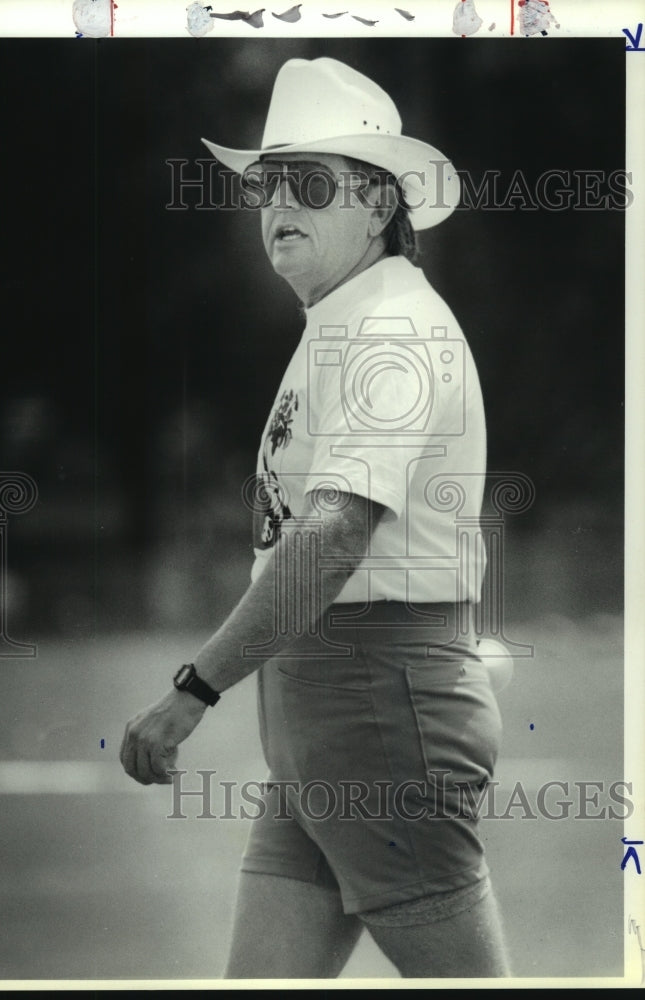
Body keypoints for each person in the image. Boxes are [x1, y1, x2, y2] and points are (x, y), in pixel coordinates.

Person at [120, 56, 511, 979]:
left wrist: (193, 689)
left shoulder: (391, 330)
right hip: (324, 719)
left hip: (377, 712)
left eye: (309, 182)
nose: (276, 202)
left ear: (378, 206)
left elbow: (333, 534)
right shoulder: (343, 321)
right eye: (266, 182)